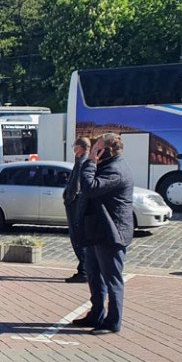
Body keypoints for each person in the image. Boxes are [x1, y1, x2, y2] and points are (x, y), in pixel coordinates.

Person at [70, 133, 134, 335]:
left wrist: (89, 162)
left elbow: (90, 187)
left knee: (112, 278)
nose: (92, 152)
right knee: (94, 275)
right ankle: (96, 314)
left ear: (105, 150)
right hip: (96, 230)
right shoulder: (107, 165)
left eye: (96, 148)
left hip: (111, 233)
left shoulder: (115, 169)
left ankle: (112, 322)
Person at [63, 137, 92, 283]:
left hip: (75, 205)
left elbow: (76, 185)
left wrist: (69, 200)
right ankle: (83, 269)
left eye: (75, 146)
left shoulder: (83, 162)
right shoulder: (80, 160)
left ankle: (85, 271)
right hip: (76, 203)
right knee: (79, 238)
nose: (73, 149)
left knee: (78, 237)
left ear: (80, 147)